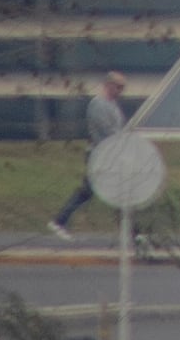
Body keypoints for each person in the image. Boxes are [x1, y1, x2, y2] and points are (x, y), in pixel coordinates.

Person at [46, 69, 136, 235]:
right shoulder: (98, 104)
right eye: (119, 87)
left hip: (109, 155)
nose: (121, 91)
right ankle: (58, 221)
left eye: (123, 87)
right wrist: (124, 138)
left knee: (115, 191)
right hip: (99, 155)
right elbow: (107, 131)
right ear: (108, 85)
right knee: (93, 191)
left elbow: (118, 129)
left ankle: (133, 233)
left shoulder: (113, 105)